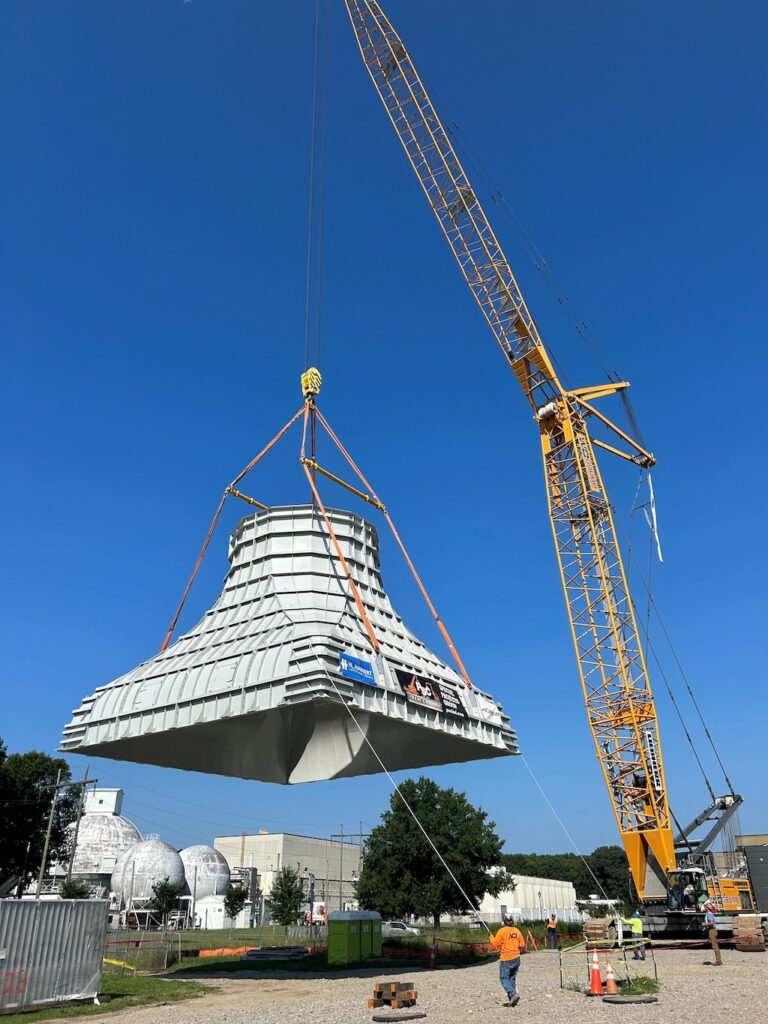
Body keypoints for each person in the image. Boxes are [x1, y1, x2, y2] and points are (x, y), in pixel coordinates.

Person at [490, 914, 526, 1007]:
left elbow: (495, 944)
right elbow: (522, 945)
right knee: (511, 978)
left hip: (506, 958)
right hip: (516, 958)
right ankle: (513, 999)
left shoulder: (501, 931)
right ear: (512, 921)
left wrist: (490, 937)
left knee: (504, 978)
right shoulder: (517, 931)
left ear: (504, 921)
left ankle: (513, 994)